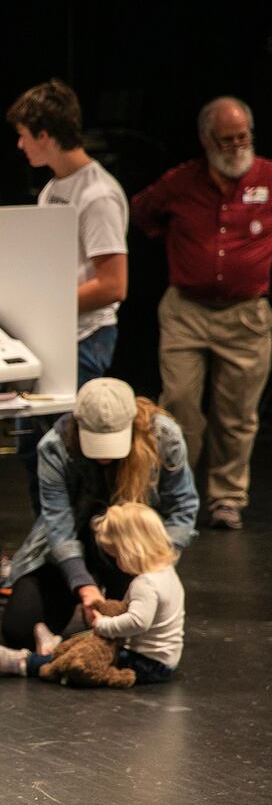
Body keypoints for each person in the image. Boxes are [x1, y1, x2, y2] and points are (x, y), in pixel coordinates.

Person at [131, 96, 272, 531]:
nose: (235, 146)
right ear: (207, 140)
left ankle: (227, 497)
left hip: (245, 314)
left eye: (241, 137)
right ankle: (175, 492)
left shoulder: (268, 177)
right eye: (226, 140)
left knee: (237, 414)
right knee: (178, 408)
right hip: (186, 312)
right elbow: (141, 212)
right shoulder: (182, 181)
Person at [0, 379, 197, 654]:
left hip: (131, 550)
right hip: (70, 544)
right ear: (78, 423)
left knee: (133, 633)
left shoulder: (163, 436)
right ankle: (84, 593)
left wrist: (157, 563)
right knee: (19, 631)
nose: (105, 457)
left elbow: (183, 507)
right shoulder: (55, 445)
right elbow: (57, 523)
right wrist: (82, 584)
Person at [8, 80, 128, 387]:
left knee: (62, 432)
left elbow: (113, 285)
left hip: (86, 337)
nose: (20, 145)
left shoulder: (98, 196)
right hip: (54, 331)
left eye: (23, 135)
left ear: (44, 136)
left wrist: (46, 303)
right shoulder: (52, 189)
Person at [0, 502, 184, 686]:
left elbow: (138, 622)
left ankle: (29, 663)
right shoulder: (166, 572)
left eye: (116, 555)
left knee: (85, 656)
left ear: (130, 551)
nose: (116, 562)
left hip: (147, 663)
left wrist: (102, 624)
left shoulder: (146, 584)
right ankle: (56, 647)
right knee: (89, 637)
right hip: (161, 660)